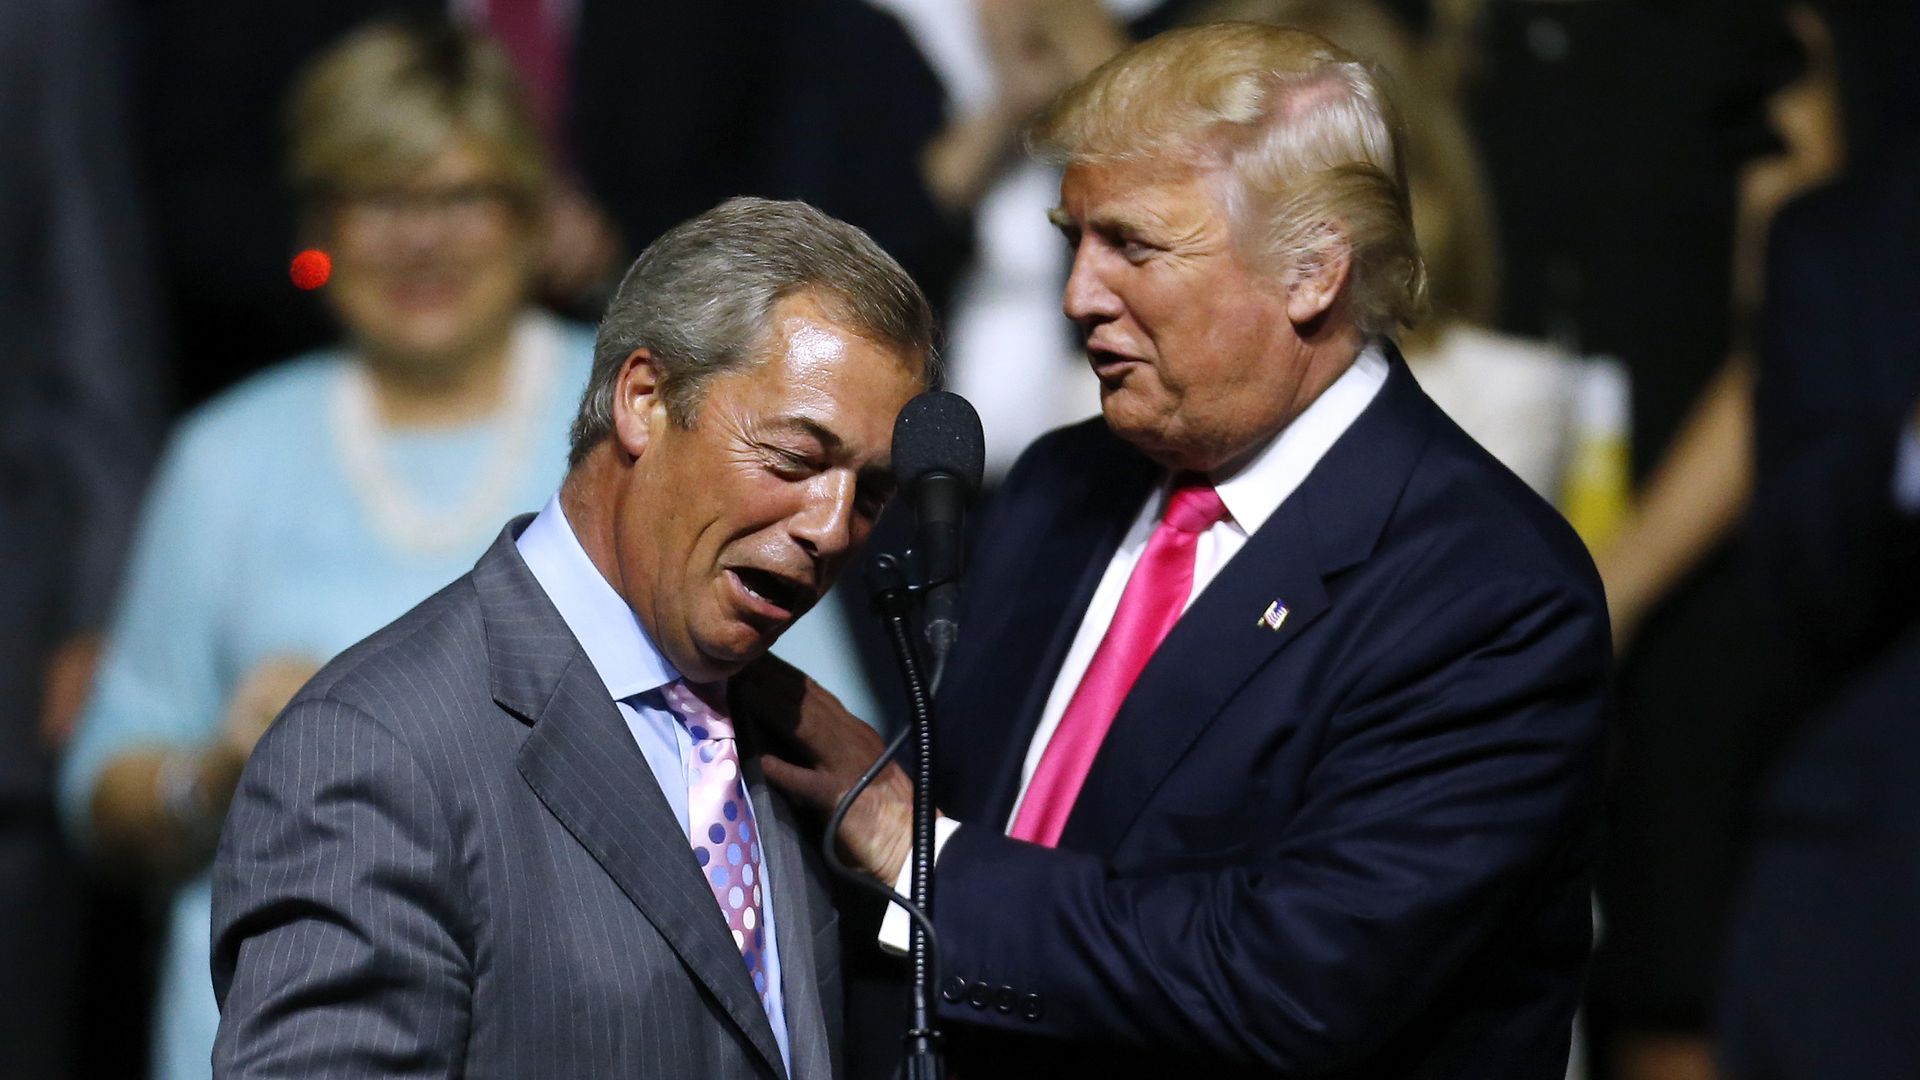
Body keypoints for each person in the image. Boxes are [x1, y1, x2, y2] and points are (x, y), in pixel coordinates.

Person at [762, 23, 1610, 1078]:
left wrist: (914, 848)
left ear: (1312, 270)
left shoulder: (1488, 592)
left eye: (1133, 245)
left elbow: (1296, 984)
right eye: (1073, 237)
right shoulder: (1061, 485)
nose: (1079, 294)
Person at [210, 195, 935, 1078]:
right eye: (794, 458)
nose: (831, 527)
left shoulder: (795, 746)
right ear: (644, 399)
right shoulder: (376, 751)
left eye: (871, 493)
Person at [58, 18, 594, 1078]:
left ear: (531, 213)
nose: (422, 239)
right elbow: (100, 791)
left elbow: (806, 746)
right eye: (379, 199)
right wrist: (218, 775)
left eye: (463, 196)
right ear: (319, 225)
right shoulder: (225, 454)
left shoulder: (637, 419)